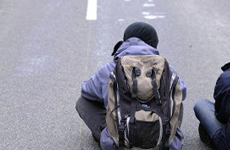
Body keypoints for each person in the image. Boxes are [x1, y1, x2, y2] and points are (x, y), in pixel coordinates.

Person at [76, 22, 187, 150]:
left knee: (83, 102)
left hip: (121, 143)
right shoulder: (166, 69)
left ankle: (107, 136)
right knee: (176, 99)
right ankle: (167, 137)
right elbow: (182, 92)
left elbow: (86, 91)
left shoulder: (111, 68)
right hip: (162, 143)